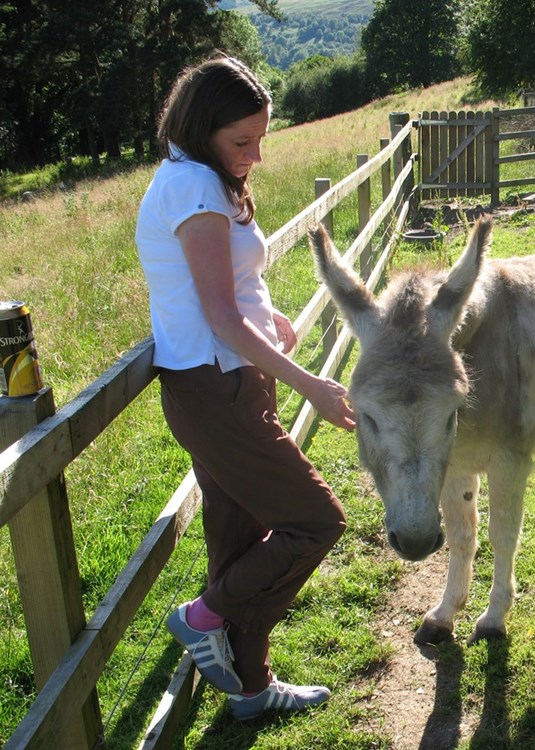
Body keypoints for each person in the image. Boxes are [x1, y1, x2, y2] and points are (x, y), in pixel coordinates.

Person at [135, 55, 355, 721]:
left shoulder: (197, 176)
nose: (255, 156)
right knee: (316, 520)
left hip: (225, 386)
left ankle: (252, 691)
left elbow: (227, 291)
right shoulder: (195, 190)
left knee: (238, 543)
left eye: (262, 139)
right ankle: (202, 617)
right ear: (204, 128)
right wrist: (312, 384)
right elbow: (218, 318)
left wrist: (268, 315)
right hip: (216, 389)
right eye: (242, 141)